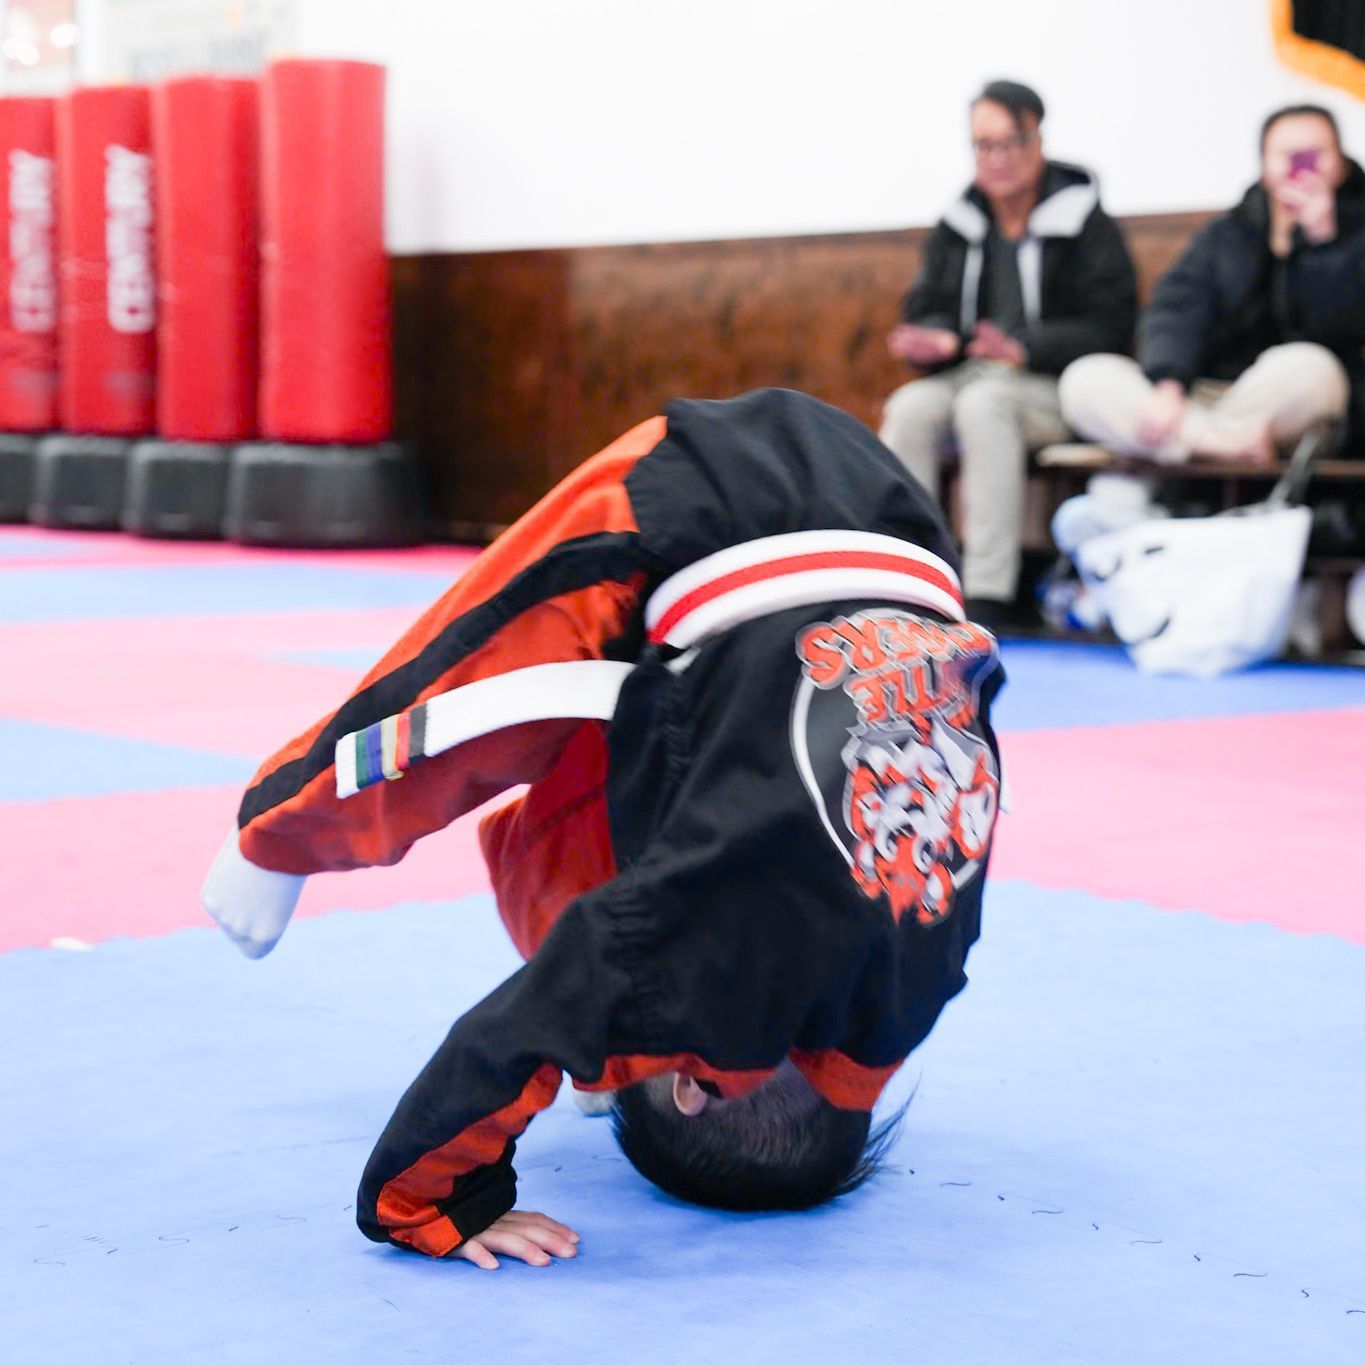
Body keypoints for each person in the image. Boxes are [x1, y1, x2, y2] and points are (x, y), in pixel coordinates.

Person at [201, 388, 1005, 1269]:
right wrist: (428, 1204)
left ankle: (606, 1013)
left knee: (664, 827)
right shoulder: (666, 960)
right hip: (690, 499)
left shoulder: (916, 987)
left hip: (907, 541)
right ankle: (275, 828)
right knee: (464, 677)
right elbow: (497, 1050)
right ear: (695, 1087)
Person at [880, 79, 1137, 631]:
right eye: (982, 145)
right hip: (969, 373)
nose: (995, 159)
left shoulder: (1083, 220)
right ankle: (908, 581)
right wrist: (938, 339)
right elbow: (926, 306)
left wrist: (1027, 347)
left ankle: (987, 591)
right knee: (910, 407)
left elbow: (1112, 325)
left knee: (984, 403)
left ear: (1036, 142)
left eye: (1007, 143)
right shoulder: (960, 222)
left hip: (1051, 384)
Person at [1059, 104, 1364, 464]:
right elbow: (1176, 307)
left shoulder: (1356, 235)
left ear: (1341, 165)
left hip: (1289, 403)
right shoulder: (1227, 235)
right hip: (1206, 393)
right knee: (1084, 379)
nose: (1301, 166)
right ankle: (1225, 446)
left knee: (1310, 367)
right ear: (1264, 167)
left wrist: (1323, 241)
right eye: (1288, 155)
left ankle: (1192, 446)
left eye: (1314, 154)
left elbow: (1342, 327)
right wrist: (1169, 384)